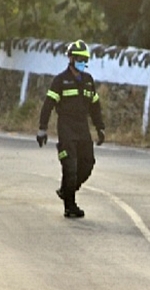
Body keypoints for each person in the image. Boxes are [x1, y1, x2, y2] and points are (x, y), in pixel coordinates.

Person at [36, 40, 105, 218]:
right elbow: (48, 105)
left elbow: (95, 108)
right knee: (70, 168)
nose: (82, 61)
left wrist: (100, 128)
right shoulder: (60, 80)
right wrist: (42, 128)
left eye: (85, 59)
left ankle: (67, 190)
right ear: (71, 58)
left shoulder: (88, 81)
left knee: (87, 164)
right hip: (66, 127)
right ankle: (70, 206)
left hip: (83, 128)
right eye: (79, 58)